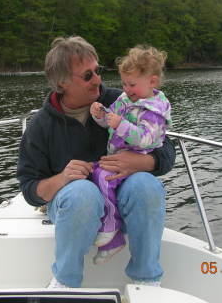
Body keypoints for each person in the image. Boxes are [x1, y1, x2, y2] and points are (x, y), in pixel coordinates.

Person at [16, 36, 175, 289]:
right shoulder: (40, 127)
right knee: (82, 192)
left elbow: (166, 150)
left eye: (98, 71)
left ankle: (146, 280)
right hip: (72, 204)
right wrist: (63, 178)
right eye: (88, 75)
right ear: (62, 83)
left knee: (146, 185)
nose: (99, 80)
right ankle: (65, 282)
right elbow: (30, 190)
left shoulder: (121, 102)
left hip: (120, 191)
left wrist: (139, 163)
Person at [89, 45, 172, 265]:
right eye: (124, 83)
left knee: (104, 179)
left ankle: (111, 227)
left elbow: (146, 139)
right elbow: (110, 122)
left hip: (134, 162)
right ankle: (111, 240)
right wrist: (100, 115)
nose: (126, 88)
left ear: (152, 82)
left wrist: (120, 124)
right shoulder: (126, 100)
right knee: (97, 177)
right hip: (116, 157)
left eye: (132, 84)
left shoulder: (155, 111)